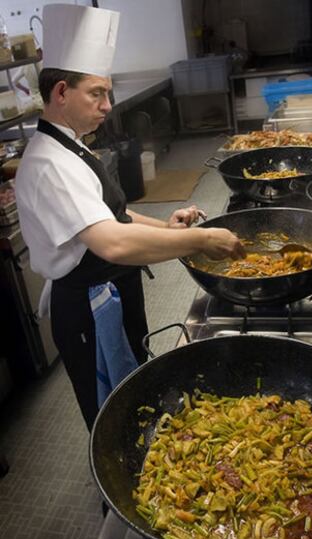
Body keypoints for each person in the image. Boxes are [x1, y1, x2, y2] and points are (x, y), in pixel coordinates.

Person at [15, 4, 245, 432]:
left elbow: (114, 215)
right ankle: (116, 493)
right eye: (96, 94)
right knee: (111, 409)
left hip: (112, 288)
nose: (108, 106)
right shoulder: (50, 163)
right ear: (61, 92)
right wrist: (201, 240)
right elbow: (114, 243)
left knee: (132, 388)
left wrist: (166, 227)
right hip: (87, 305)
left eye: (108, 93)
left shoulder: (73, 144)